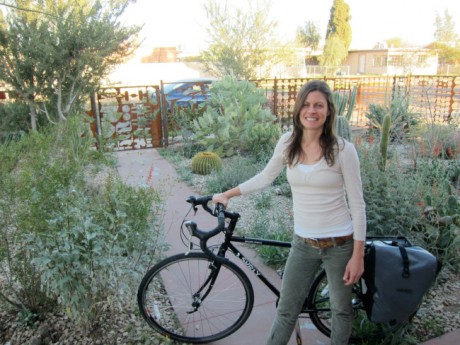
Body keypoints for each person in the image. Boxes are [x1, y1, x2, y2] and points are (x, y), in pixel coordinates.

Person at [212, 80, 366, 345]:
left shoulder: (343, 150)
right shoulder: (288, 143)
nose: (312, 110)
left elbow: (358, 204)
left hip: (340, 244)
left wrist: (357, 256)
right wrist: (228, 194)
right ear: (298, 109)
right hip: (303, 244)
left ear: (328, 110)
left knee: (341, 310)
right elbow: (264, 178)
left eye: (319, 105)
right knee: (286, 309)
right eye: (306, 104)